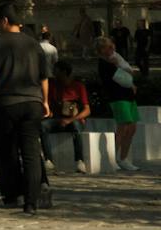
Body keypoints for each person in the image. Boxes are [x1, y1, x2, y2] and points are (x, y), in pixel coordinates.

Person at [0, 0, 49, 215]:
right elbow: (44, 78)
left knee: (6, 152)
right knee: (31, 152)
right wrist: (45, 101)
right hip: (32, 103)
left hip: (5, 104)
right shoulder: (34, 43)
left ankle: (12, 196)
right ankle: (31, 202)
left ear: (3, 20)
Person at [95, 34, 141, 172]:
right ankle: (112, 158)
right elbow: (121, 77)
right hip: (118, 97)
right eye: (108, 47)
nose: (111, 49)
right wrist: (125, 72)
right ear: (101, 49)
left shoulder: (115, 58)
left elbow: (128, 75)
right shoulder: (104, 63)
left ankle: (123, 158)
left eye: (111, 46)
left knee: (132, 127)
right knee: (123, 127)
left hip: (129, 96)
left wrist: (130, 79)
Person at [43, 58, 91, 174]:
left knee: (75, 126)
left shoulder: (78, 86)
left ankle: (79, 160)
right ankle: (48, 160)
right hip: (57, 119)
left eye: (56, 71)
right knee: (42, 126)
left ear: (64, 72)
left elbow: (87, 110)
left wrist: (72, 119)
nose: (53, 73)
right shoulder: (53, 85)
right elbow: (48, 104)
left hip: (73, 120)